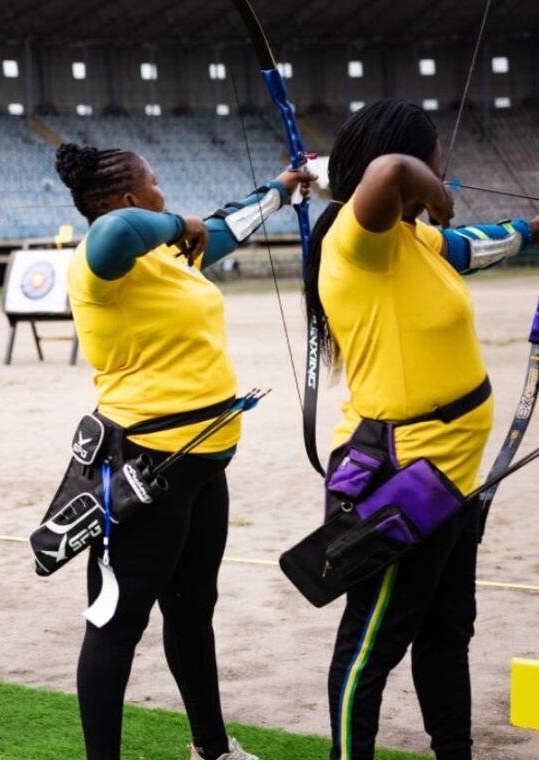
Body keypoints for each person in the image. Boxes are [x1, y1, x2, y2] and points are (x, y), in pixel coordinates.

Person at [54, 141, 314, 760]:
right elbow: (120, 231)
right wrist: (180, 224)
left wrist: (281, 188)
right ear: (129, 197)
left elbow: (226, 227)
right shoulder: (100, 258)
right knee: (115, 623)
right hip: (143, 466)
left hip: (204, 462)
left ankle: (212, 748)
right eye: (155, 181)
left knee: (194, 611)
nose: (164, 191)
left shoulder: (169, 256)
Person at [303, 98, 539, 760]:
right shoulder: (359, 239)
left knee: (446, 633)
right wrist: (429, 186)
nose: (442, 164)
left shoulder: (414, 239)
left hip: (453, 479)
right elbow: (387, 172)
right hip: (402, 479)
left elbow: (478, 243)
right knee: (370, 646)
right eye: (436, 155)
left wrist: (532, 228)